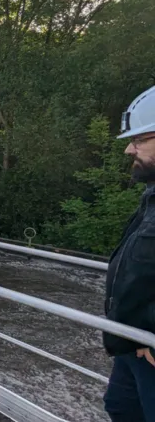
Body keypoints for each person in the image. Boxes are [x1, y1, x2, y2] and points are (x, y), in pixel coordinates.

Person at [104, 85, 155, 421]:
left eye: (140, 140)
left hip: (148, 346)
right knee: (121, 407)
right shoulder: (151, 195)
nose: (128, 149)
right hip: (134, 343)